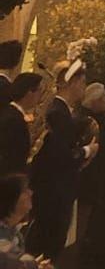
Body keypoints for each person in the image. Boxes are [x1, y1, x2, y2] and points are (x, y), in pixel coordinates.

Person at [28, 60, 87, 261]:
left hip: (56, 191)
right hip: (53, 192)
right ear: (72, 83)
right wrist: (87, 151)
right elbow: (61, 155)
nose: (83, 88)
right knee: (48, 245)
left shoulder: (62, 112)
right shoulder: (57, 113)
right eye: (82, 82)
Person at [0, 173, 43, 269]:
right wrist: (33, 265)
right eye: (25, 190)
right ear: (12, 198)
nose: (31, 192)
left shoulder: (16, 233)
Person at [0, 80, 40, 178]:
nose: (40, 95)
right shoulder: (14, 119)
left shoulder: (10, 112)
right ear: (29, 93)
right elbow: (11, 155)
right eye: (39, 90)